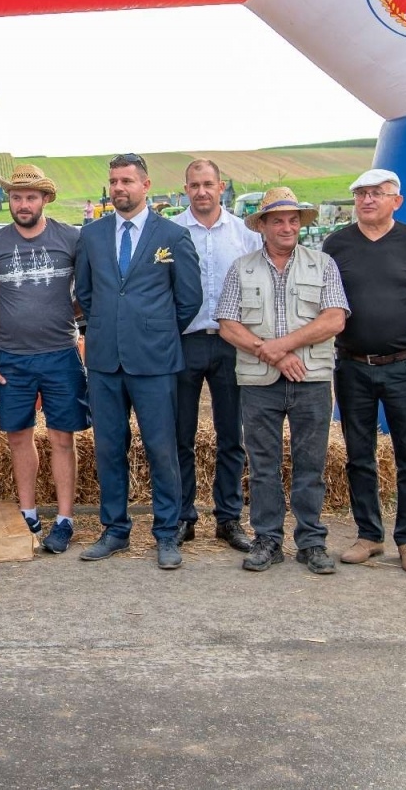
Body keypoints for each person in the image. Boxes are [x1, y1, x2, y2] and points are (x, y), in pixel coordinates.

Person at [75, 154, 202, 570]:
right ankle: (115, 530)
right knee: (109, 448)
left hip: (155, 361)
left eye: (127, 181)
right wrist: (110, 327)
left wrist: (154, 331)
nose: (119, 188)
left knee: (162, 449)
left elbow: (189, 299)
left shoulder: (173, 235)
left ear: (146, 185)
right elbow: (87, 295)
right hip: (105, 362)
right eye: (114, 181)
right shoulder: (91, 235)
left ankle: (166, 532)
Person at [216, 187, 349, 575]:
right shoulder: (242, 268)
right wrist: (270, 353)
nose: (287, 227)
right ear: (263, 226)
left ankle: (311, 541)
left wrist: (282, 346)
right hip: (259, 383)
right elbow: (227, 324)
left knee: (311, 464)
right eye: (278, 221)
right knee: (262, 466)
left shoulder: (323, 265)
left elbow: (335, 319)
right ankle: (268, 540)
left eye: (293, 220)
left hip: (311, 378)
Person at [321, 169, 406, 575]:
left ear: (396, 201)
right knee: (359, 454)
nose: (367, 200)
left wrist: (404, 346)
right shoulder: (336, 245)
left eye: (377, 193)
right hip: (352, 365)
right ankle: (369, 535)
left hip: (404, 365)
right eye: (361, 193)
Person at [0, 166, 86, 554]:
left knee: (62, 437)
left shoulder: (71, 238)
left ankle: (65, 519)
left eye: (31, 197)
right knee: (19, 436)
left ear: (45, 199)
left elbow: (88, 292)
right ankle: (28, 513)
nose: (23, 204)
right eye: (17, 197)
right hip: (12, 359)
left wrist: (68, 315)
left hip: (61, 355)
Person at [171, 159, 259, 553]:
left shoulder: (244, 234)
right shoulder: (171, 232)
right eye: (194, 185)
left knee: (231, 435)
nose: (202, 191)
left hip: (230, 342)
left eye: (208, 184)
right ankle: (183, 517)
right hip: (185, 341)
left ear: (221, 187)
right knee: (180, 435)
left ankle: (228, 518)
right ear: (185, 189)